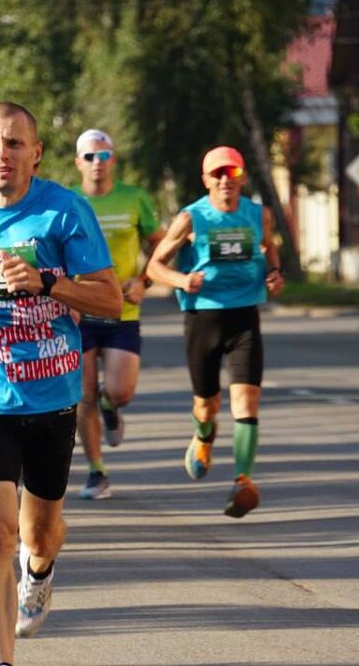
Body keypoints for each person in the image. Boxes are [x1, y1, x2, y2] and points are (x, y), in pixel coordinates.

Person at [0, 102, 120, 664]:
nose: (2, 154)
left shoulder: (65, 212)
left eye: (15, 144)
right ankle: (0, 660)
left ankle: (40, 570)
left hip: (52, 394)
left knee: (37, 535)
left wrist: (47, 281)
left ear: (35, 153)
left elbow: (109, 298)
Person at [145, 145, 284, 519]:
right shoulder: (191, 218)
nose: (226, 180)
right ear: (206, 180)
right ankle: (203, 436)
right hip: (203, 319)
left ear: (241, 178)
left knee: (247, 403)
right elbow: (155, 267)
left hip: (244, 317)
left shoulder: (259, 214)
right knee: (206, 405)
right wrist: (181, 279)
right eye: (218, 174)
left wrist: (274, 273)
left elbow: (269, 248)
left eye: (233, 173)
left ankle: (243, 481)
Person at [71, 129, 164, 500]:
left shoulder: (134, 198)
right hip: (78, 311)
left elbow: (161, 246)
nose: (98, 163)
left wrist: (144, 280)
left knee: (120, 391)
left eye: (104, 156)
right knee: (84, 395)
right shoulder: (67, 202)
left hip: (123, 308)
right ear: (78, 162)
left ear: (114, 160)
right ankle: (97, 471)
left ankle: (113, 409)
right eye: (90, 157)